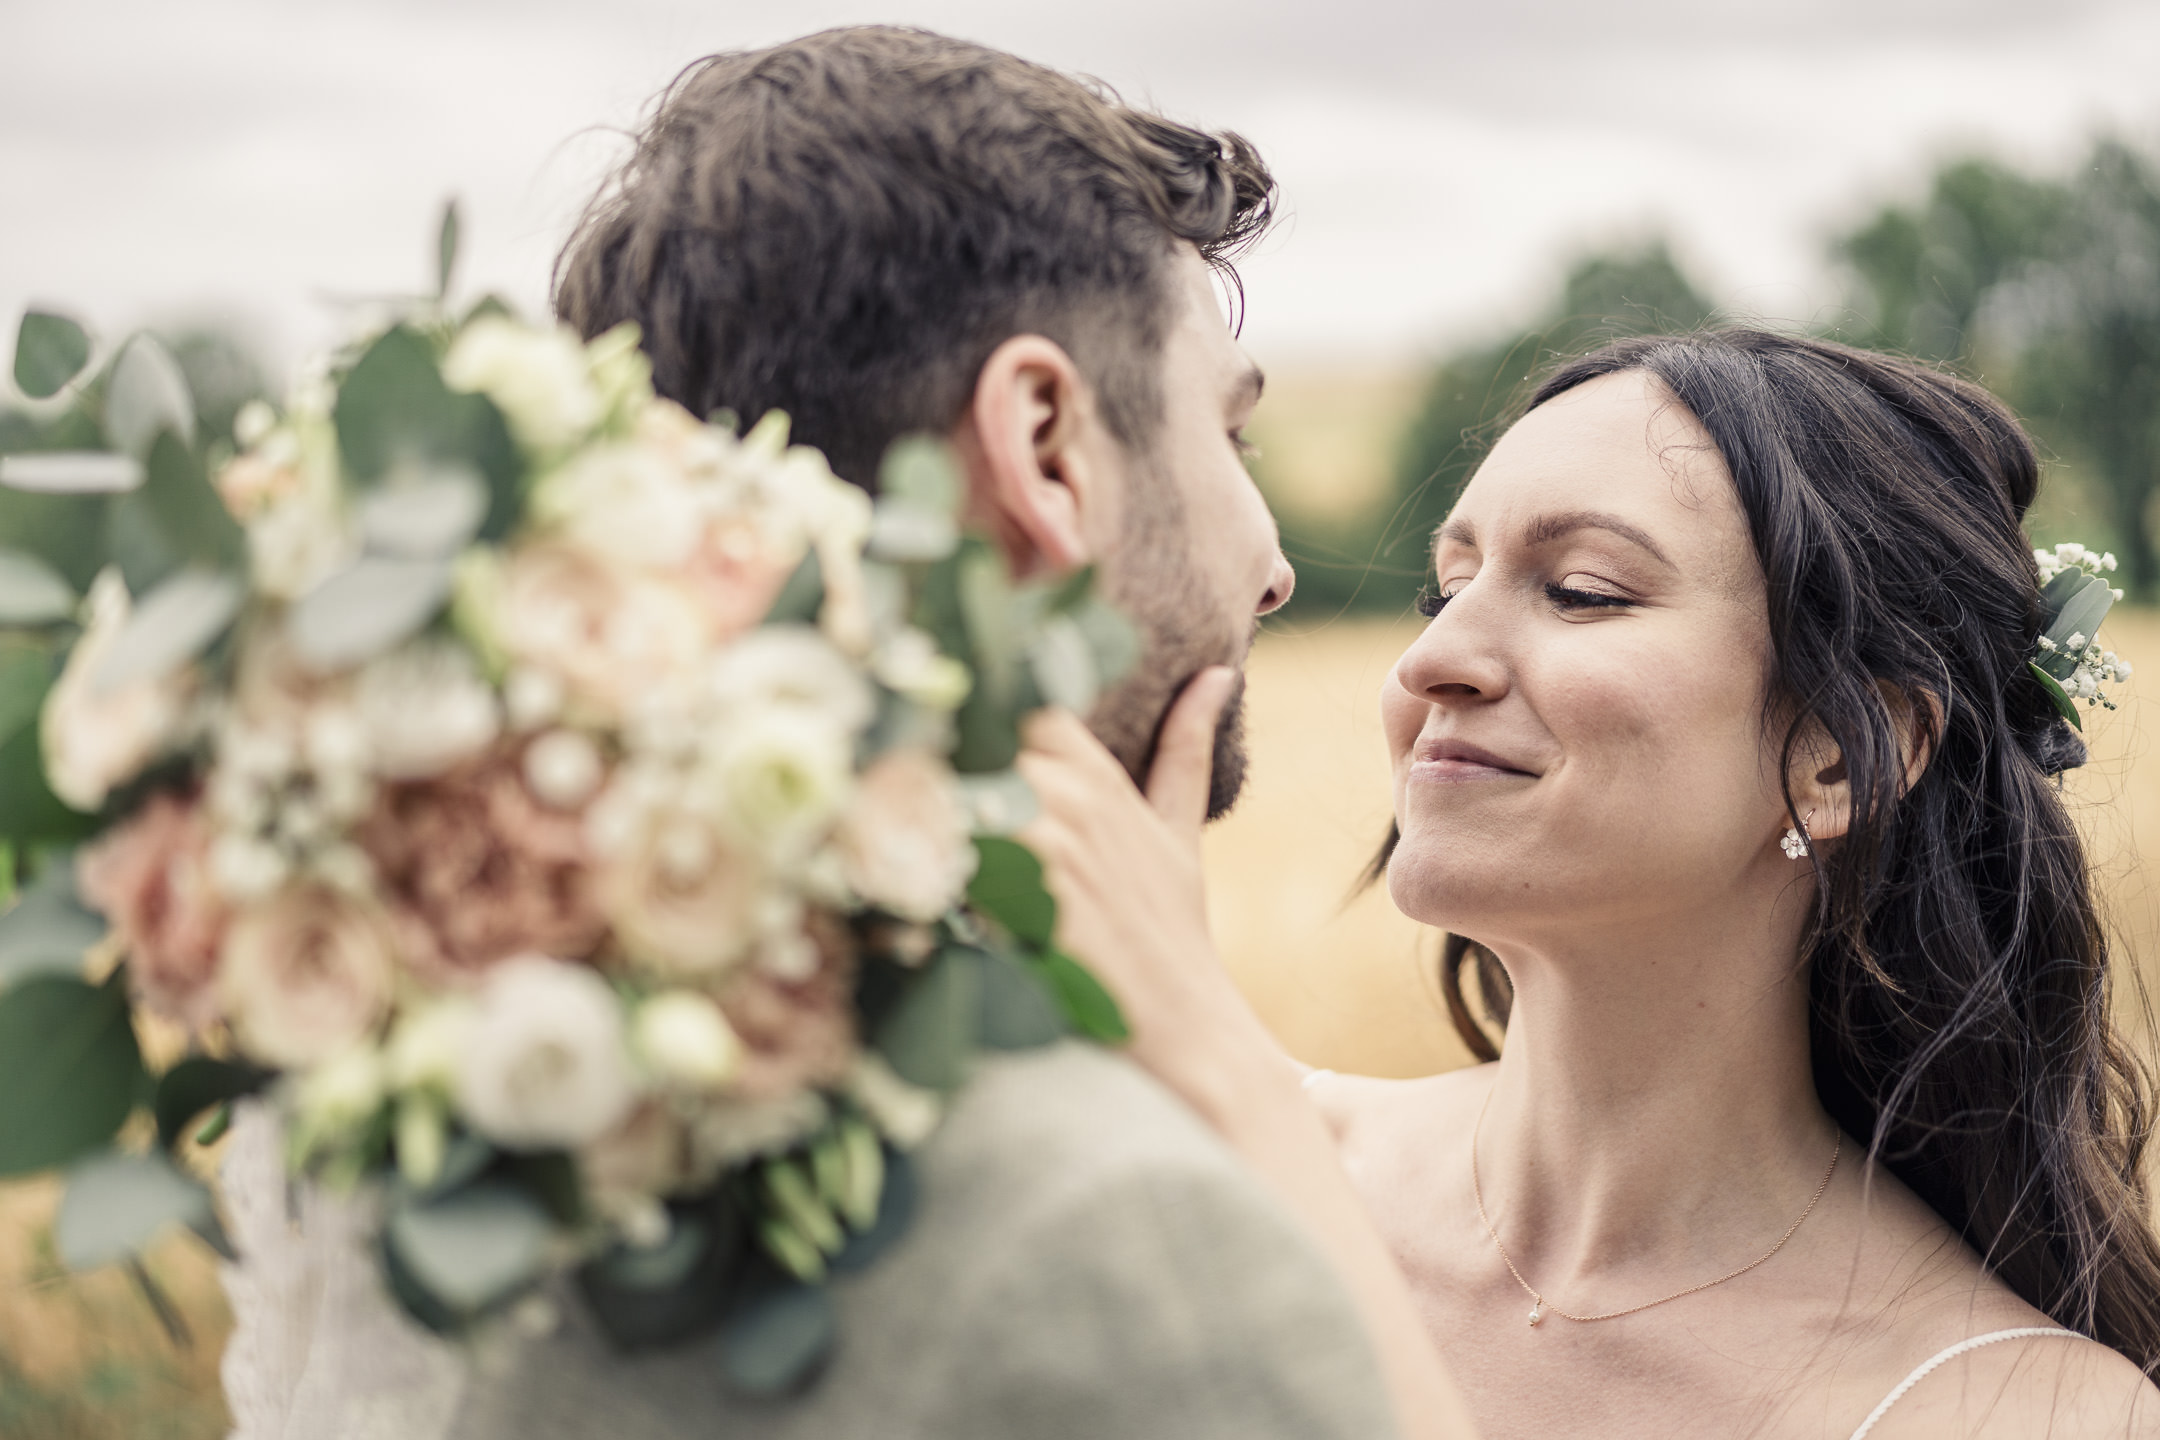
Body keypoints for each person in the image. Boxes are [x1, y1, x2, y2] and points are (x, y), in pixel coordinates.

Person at [218, 25, 1464, 1440]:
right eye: (1227, 439)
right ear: (1046, 448)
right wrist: (1226, 1070)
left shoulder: (411, 1090)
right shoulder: (1113, 1220)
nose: (1277, 563)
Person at [1017, 329, 2160, 1438]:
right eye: (1443, 589)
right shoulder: (1193, 1154)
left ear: (1835, 754)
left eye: (1582, 591)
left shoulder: (2021, 1412)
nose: (1427, 663)